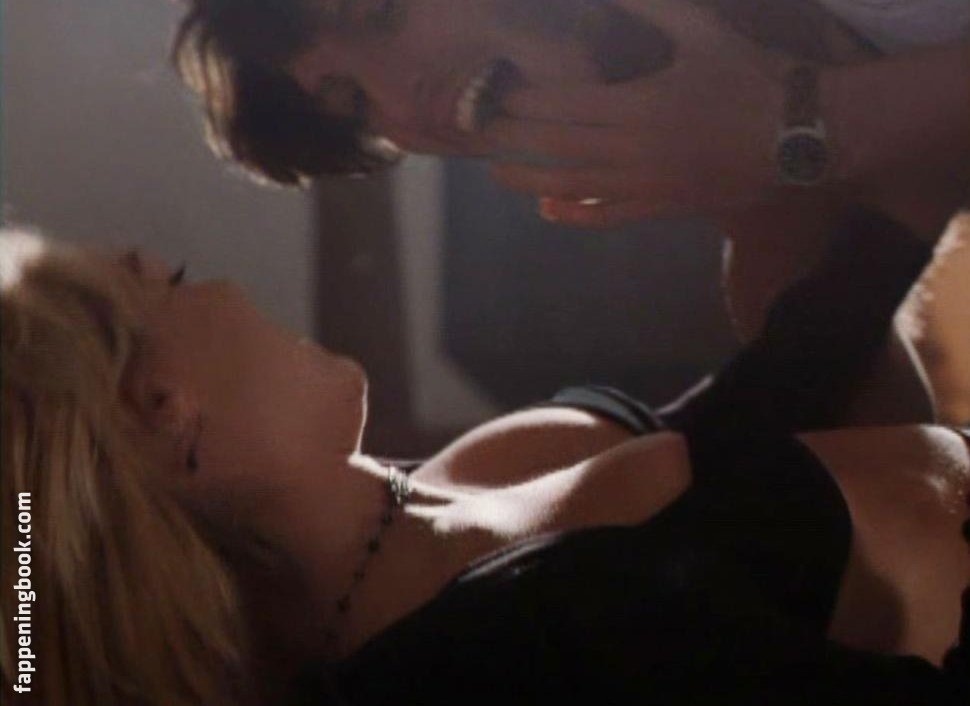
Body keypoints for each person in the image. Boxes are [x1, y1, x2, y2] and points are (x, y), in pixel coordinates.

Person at [2, 203, 969, 706]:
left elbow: (777, 399)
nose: (223, 287)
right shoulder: (504, 659)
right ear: (162, 411)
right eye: (169, 282)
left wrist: (794, 154)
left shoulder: (445, 489)